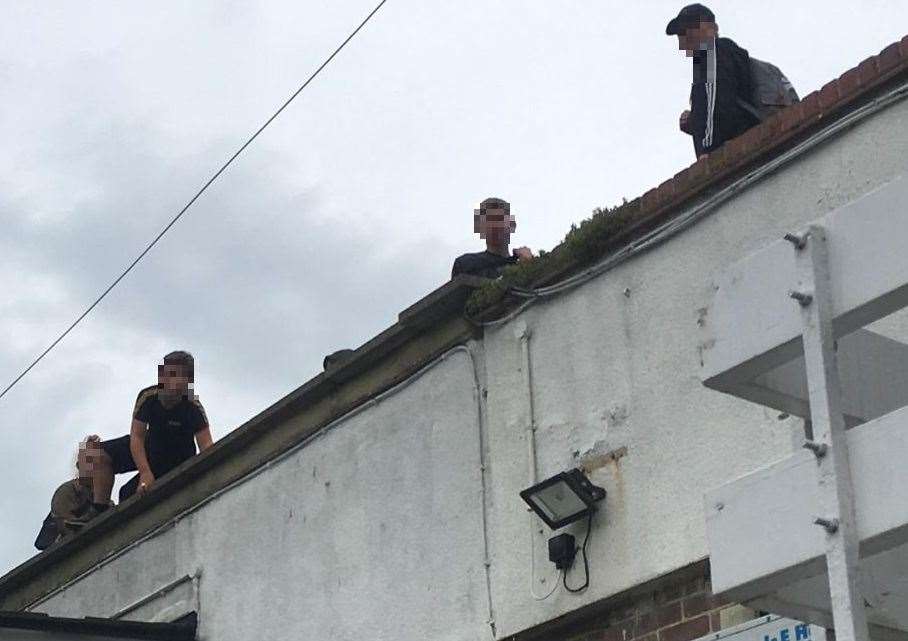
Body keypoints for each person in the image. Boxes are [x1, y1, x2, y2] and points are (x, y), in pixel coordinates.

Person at [81, 351, 214, 517]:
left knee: (127, 495)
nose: (170, 381)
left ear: (188, 381)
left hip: (175, 459)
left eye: (177, 376)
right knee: (95, 453)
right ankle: (98, 508)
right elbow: (137, 437)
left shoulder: (193, 406)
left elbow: (207, 446)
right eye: (167, 374)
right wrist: (145, 472)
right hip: (151, 447)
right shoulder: (148, 398)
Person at [667, 4, 760, 159]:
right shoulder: (726, 53)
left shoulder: (711, 52)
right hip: (741, 142)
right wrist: (695, 120)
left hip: (726, 150)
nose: (683, 42)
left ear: (710, 28)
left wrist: (707, 148)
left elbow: (713, 98)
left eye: (686, 32)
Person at [34, 436, 110, 549]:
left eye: (97, 462)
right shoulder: (66, 491)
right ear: (79, 466)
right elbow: (67, 526)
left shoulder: (103, 496)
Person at [451, 197, 534, 279]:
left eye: (500, 220)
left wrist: (530, 264)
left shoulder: (523, 263)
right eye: (489, 221)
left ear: (512, 225)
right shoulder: (466, 263)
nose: (494, 226)